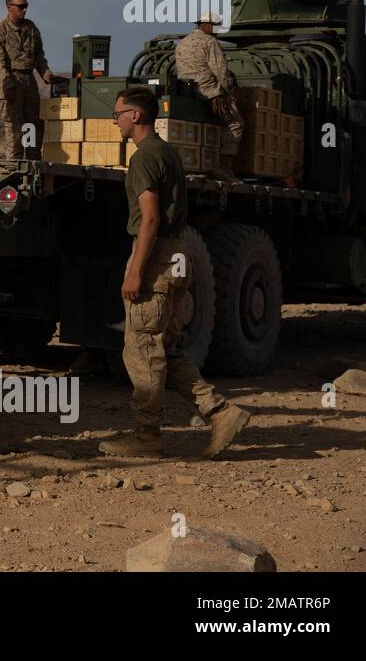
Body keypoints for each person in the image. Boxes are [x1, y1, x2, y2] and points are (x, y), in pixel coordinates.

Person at [99, 87, 252, 459]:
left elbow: (149, 218)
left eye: (118, 113)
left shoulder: (144, 158)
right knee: (165, 346)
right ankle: (220, 412)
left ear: (136, 116)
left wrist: (136, 271)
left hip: (157, 258)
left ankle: (147, 436)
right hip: (177, 253)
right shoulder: (167, 152)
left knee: (142, 349)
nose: (115, 120)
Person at [174, 11, 244, 180]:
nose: (217, 31)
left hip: (188, 90)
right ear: (208, 25)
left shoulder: (182, 43)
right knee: (235, 123)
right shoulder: (210, 42)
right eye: (216, 27)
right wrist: (228, 89)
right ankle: (223, 167)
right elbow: (220, 70)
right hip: (209, 91)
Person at [0, 0, 53, 159]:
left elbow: (39, 55)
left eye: (26, 6)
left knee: (32, 124)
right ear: (9, 7)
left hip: (29, 82)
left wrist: (45, 72)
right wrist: (6, 81)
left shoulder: (31, 28)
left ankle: (32, 162)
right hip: (11, 81)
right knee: (14, 127)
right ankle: (14, 166)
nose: (24, 10)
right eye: (20, 6)